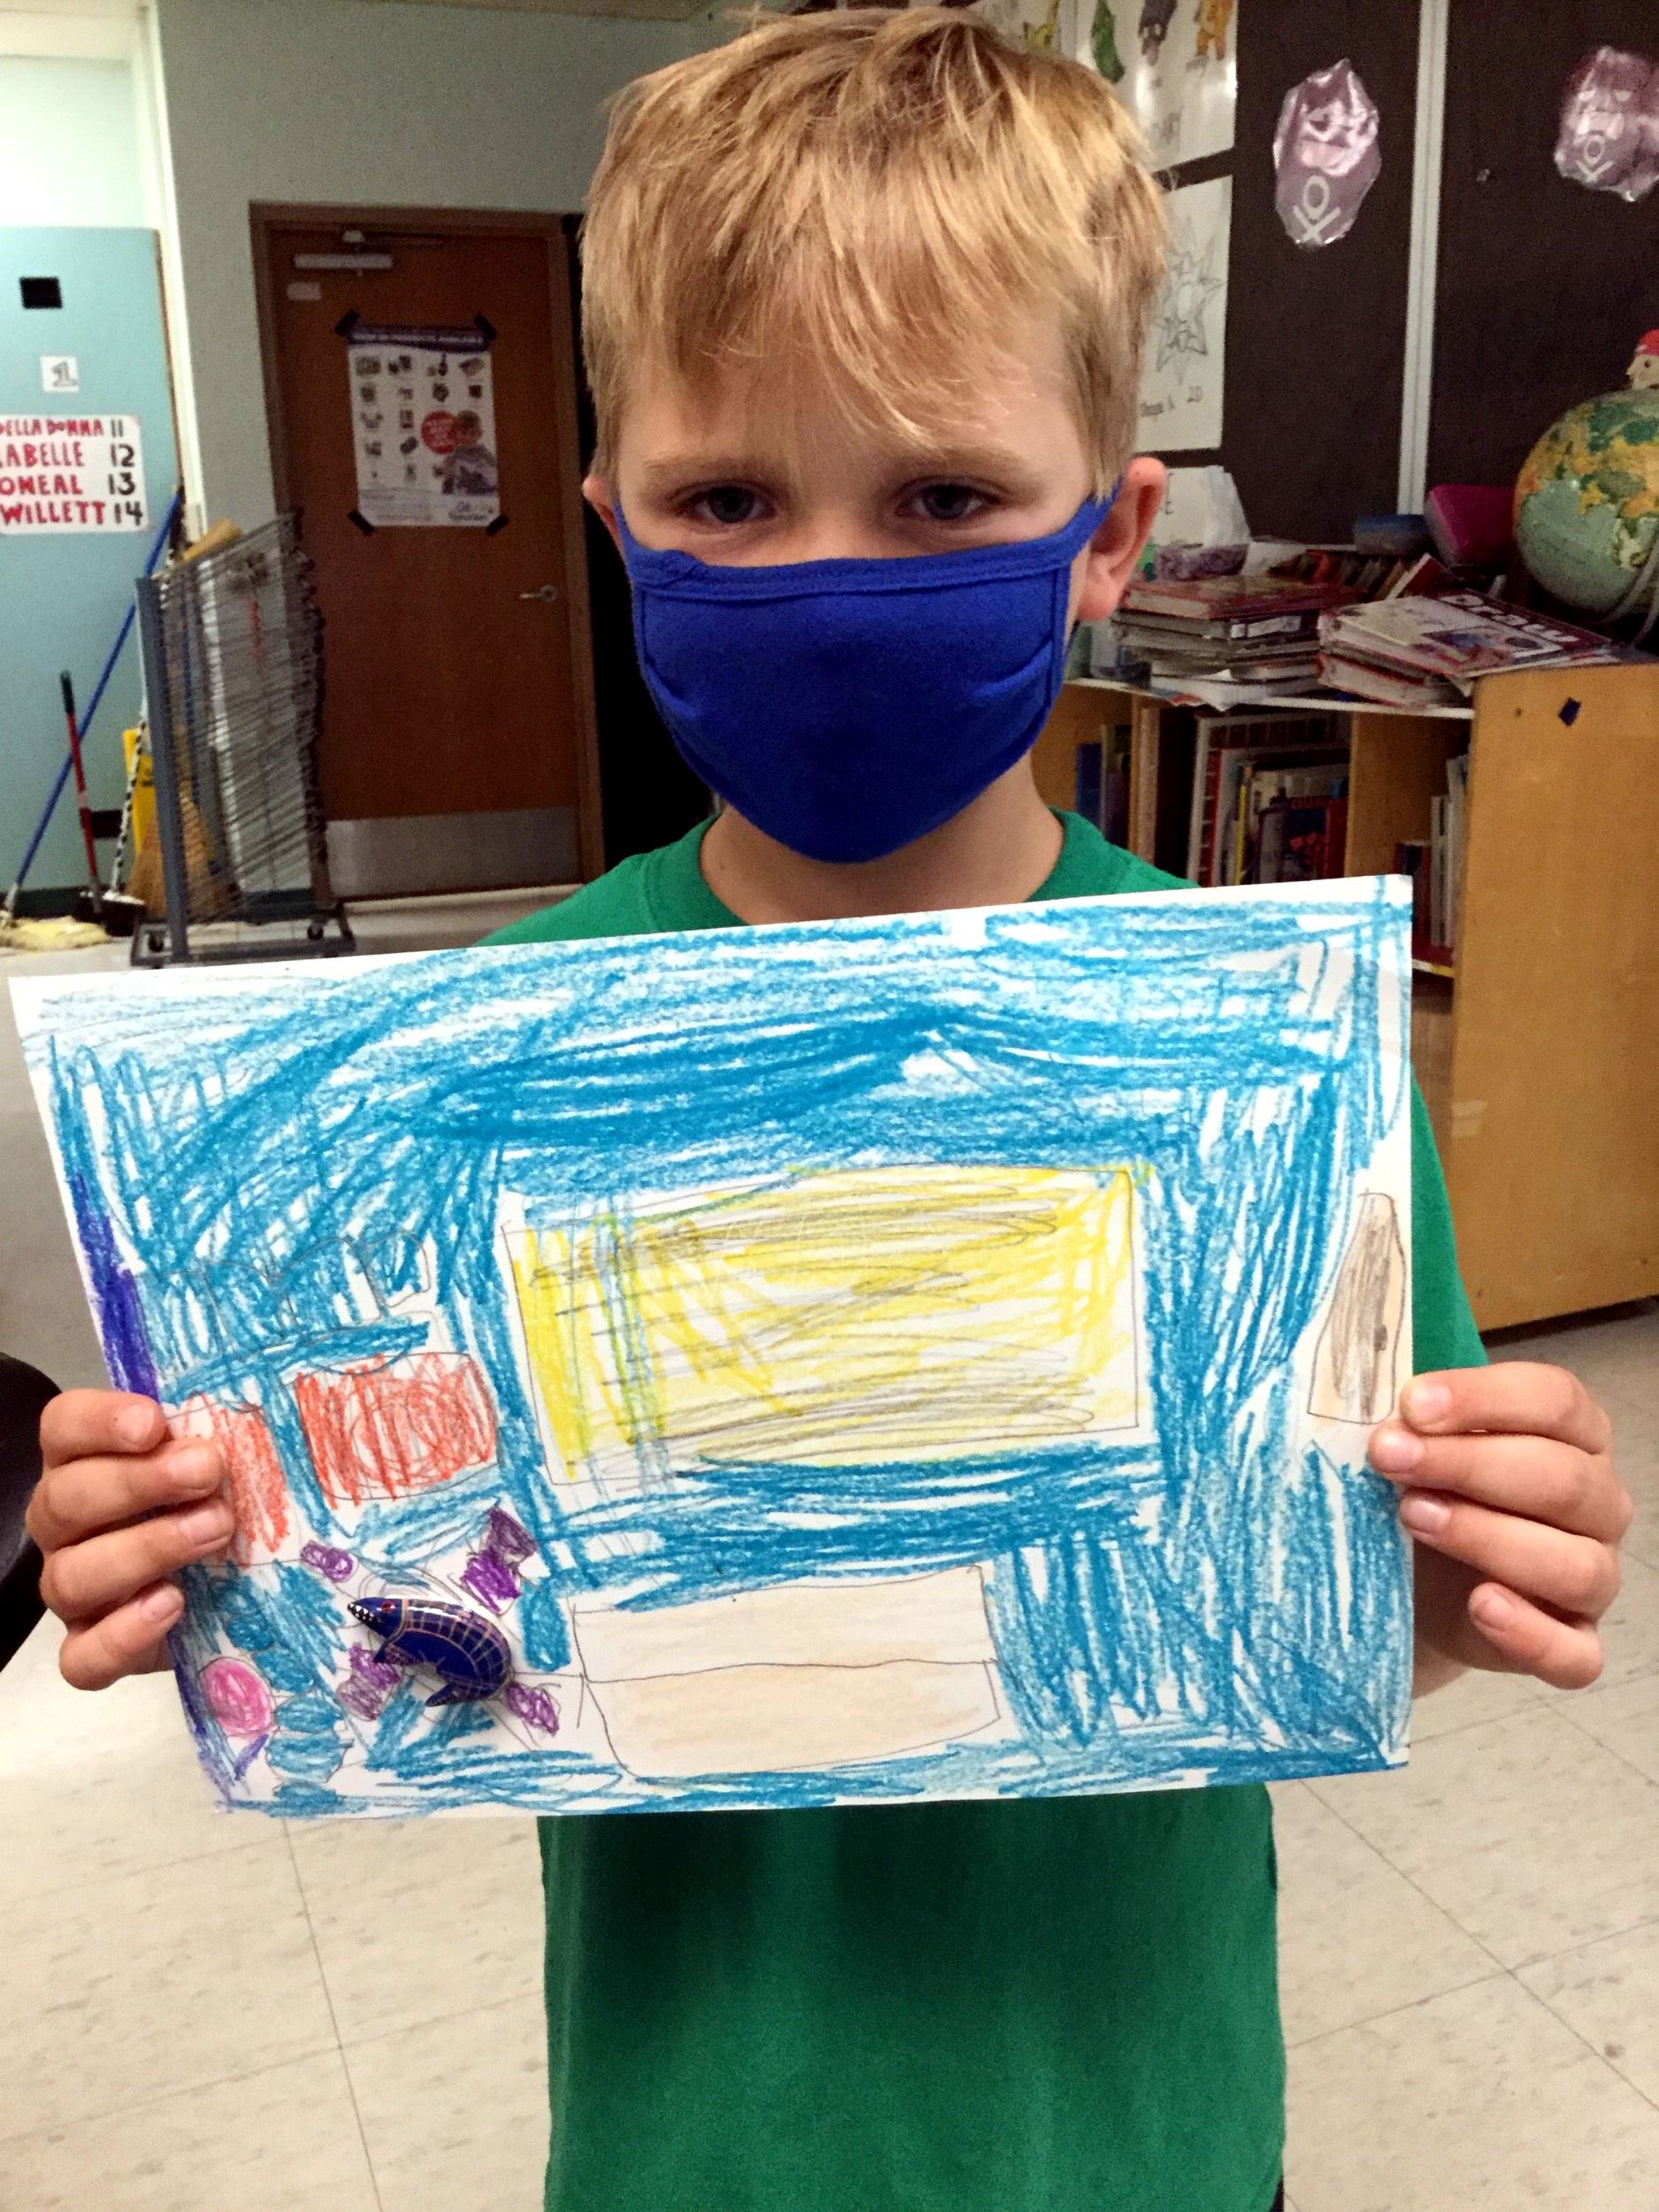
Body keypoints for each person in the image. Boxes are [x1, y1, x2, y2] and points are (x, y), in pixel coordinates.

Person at [26, 14, 1632, 2211]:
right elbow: (393, 1603)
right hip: (692, 2144)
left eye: (942, 498)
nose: (824, 581)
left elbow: (1343, 1605)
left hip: (1132, 2141)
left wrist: (1468, 1574)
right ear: (617, 529)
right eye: (726, 501)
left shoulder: (1262, 1060)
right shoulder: (475, 1054)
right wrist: (189, 1549)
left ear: (1105, 535)